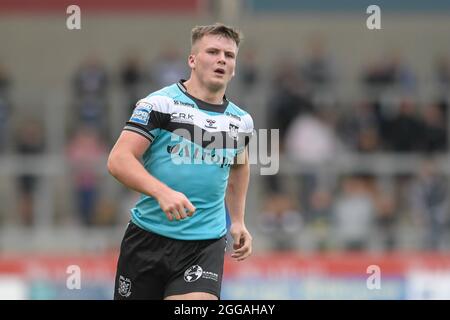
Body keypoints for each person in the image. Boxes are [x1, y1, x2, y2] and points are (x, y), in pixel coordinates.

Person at [107, 23, 254, 300]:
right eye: (212, 51)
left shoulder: (241, 121)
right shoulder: (160, 104)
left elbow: (239, 165)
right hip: (147, 239)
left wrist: (237, 220)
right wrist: (161, 192)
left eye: (229, 55)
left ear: (234, 67)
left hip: (204, 244)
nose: (222, 59)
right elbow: (119, 159)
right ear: (192, 60)